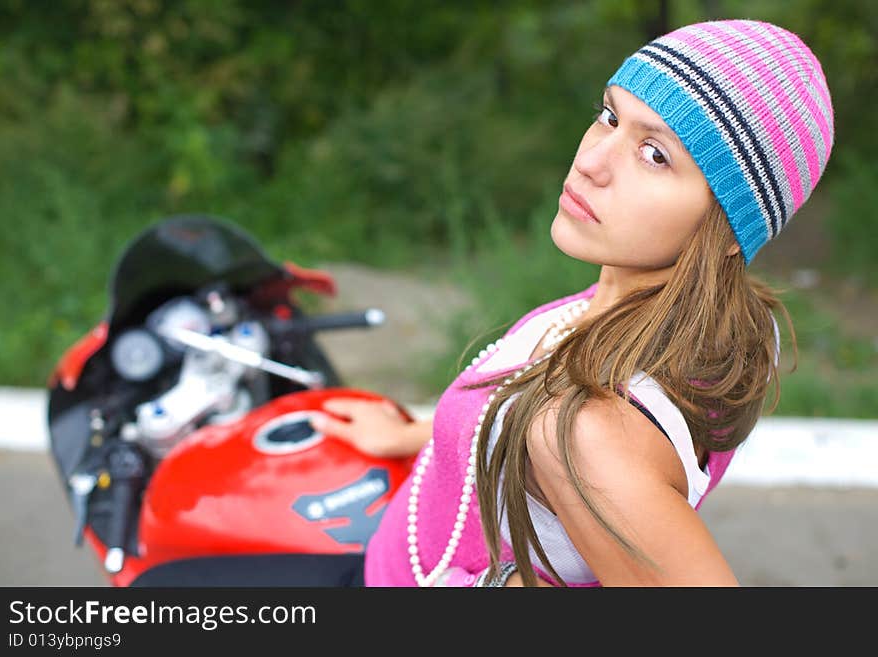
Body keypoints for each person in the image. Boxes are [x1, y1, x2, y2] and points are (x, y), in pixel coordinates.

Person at [309, 18, 834, 587]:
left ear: (733, 229)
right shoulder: (673, 315)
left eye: (655, 154)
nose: (592, 161)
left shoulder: (589, 427)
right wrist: (419, 431)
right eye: (609, 116)